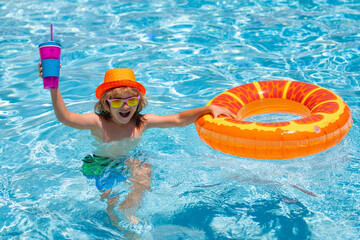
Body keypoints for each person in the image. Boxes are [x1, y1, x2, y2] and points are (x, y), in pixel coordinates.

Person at [38, 65, 234, 225]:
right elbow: (66, 118)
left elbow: (178, 119)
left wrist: (208, 108)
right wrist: (53, 86)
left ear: (139, 101)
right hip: (101, 164)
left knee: (144, 169)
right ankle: (118, 223)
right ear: (106, 104)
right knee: (111, 199)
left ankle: (131, 208)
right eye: (117, 102)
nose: (125, 106)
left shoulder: (142, 122)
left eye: (131, 100)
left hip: (128, 158)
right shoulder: (98, 123)